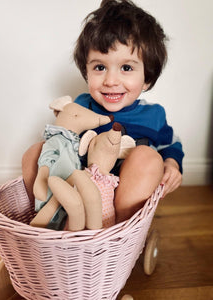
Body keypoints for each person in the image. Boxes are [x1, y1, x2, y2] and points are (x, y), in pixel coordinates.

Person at [22, 0, 184, 224]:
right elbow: (59, 144)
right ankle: (47, 220)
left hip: (122, 198)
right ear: (87, 72)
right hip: (76, 192)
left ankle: (119, 229)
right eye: (100, 67)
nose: (110, 81)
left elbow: (171, 144)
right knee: (34, 153)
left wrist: (172, 164)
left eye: (126, 68)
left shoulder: (153, 115)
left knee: (148, 157)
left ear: (147, 78)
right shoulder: (80, 107)